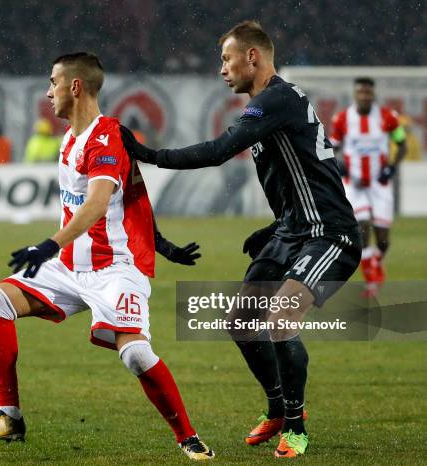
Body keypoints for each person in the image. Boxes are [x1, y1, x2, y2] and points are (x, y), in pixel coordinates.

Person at [121, 21, 361, 458]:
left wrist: (147, 154)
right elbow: (307, 174)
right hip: (293, 230)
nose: (222, 69)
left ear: (253, 57)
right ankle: (276, 408)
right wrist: (275, 226)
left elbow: (217, 151)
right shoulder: (273, 106)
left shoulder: (277, 100)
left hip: (329, 234)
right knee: (242, 320)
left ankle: (296, 426)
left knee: (280, 320)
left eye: (227, 59)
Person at [0, 52, 213, 461]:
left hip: (115, 270)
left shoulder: (105, 138)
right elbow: (130, 196)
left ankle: (187, 436)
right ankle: (9, 417)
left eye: (53, 82)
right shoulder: (69, 139)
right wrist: (162, 242)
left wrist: (49, 243)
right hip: (68, 268)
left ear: (75, 87)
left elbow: (97, 204)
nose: (48, 92)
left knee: (135, 353)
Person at [330, 78, 407, 297]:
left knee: (383, 239)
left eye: (367, 93)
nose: (364, 96)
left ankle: (374, 263)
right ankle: (372, 282)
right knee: (362, 227)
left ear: (373, 95)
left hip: (379, 183)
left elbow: (401, 144)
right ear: (355, 95)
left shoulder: (388, 118)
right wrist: (340, 166)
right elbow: (331, 148)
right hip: (353, 183)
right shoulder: (343, 119)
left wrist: (391, 167)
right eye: (360, 92)